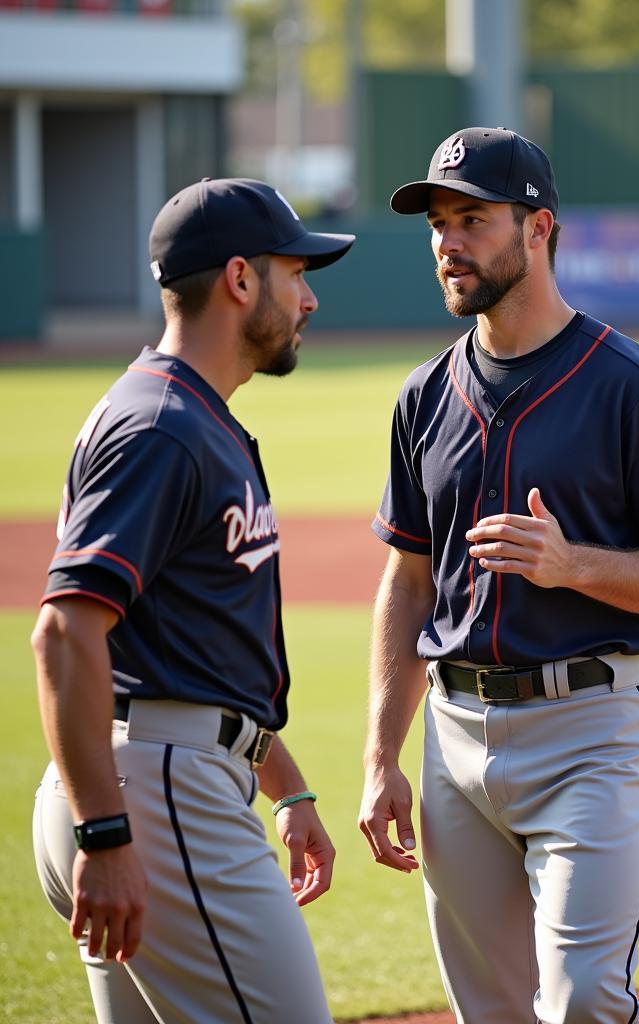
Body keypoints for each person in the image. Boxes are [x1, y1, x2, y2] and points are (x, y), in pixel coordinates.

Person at [356, 126, 639, 1024]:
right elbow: (406, 581)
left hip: (589, 729)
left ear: (539, 227)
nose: (448, 242)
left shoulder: (628, 382)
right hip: (453, 737)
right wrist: (380, 756)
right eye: (438, 222)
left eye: (473, 218)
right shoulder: (423, 395)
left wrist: (573, 565)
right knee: (492, 1009)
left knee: (586, 999)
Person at [31, 177, 355, 1024]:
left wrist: (283, 785)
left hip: (147, 777)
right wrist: (105, 834)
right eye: (297, 274)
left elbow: (186, 644)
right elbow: (65, 633)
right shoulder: (162, 427)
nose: (310, 298)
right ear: (240, 280)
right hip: (156, 798)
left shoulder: (181, 414)